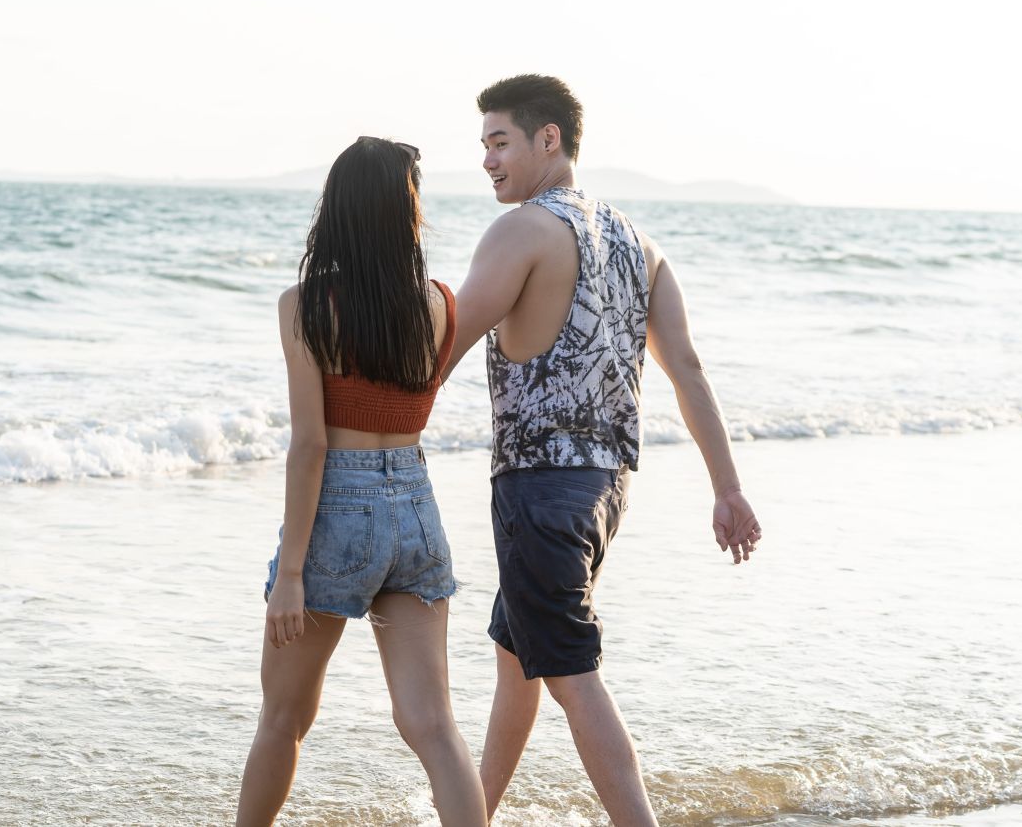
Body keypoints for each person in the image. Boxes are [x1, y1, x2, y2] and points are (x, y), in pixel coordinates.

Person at [444, 75, 765, 825]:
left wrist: (375, 443)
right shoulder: (640, 246)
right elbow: (687, 371)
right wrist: (727, 488)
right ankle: (473, 816)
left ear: (548, 138)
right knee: (519, 663)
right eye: (484, 145)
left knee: (571, 672)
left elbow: (445, 347)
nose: (488, 160)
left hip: (538, 490)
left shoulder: (522, 230)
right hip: (603, 489)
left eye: (500, 142)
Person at [235, 137, 487, 827]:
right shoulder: (440, 303)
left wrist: (291, 574)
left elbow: (310, 445)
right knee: (434, 726)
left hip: (336, 514)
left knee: (283, 719)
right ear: (406, 213)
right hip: (417, 508)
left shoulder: (305, 305)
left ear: (338, 208)